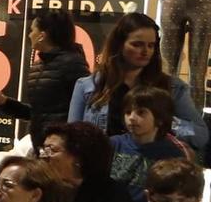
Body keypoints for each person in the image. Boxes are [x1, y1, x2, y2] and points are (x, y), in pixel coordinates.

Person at [70, 12, 203, 151]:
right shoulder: (88, 86)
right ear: (120, 45)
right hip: (102, 165)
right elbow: (72, 137)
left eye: (151, 45)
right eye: (137, 44)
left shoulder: (173, 87)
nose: (145, 51)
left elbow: (200, 135)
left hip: (152, 165)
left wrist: (166, 121)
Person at [0, 7, 87, 137]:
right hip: (42, 145)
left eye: (32, 30)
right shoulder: (39, 65)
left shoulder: (73, 64)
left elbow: (82, 111)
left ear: (42, 36)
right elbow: (37, 114)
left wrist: (66, 142)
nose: (29, 35)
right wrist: (6, 103)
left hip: (61, 147)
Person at [108, 84, 198, 202]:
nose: (132, 118)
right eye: (128, 112)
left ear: (160, 118)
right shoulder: (112, 144)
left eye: (141, 113)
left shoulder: (172, 154)